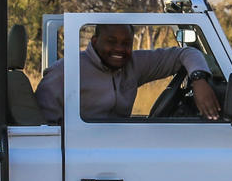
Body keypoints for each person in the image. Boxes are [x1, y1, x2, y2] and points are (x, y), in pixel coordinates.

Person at [34, 23, 221, 123]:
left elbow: (185, 53)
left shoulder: (133, 63)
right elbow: (43, 127)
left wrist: (198, 79)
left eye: (126, 43)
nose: (119, 49)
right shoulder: (65, 71)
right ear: (95, 40)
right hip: (81, 152)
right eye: (111, 41)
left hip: (120, 144)